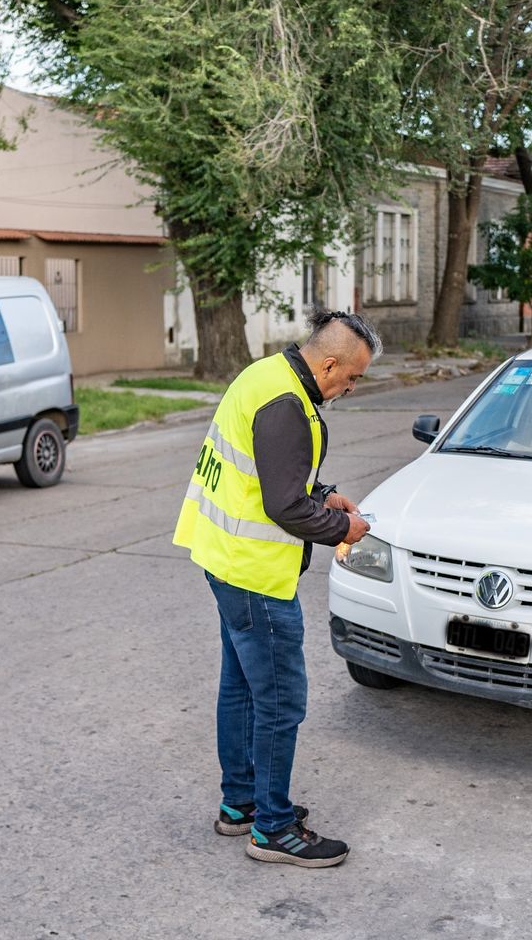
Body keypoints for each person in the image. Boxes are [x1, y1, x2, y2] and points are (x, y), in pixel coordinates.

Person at [173, 309, 380, 869]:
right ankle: (273, 828)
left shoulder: (267, 375)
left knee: (241, 687)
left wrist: (324, 492)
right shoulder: (288, 404)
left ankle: (240, 803)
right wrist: (344, 528)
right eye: (352, 376)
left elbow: (276, 473)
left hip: (226, 560)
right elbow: (283, 504)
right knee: (281, 699)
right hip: (255, 575)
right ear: (330, 362)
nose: (351, 387)